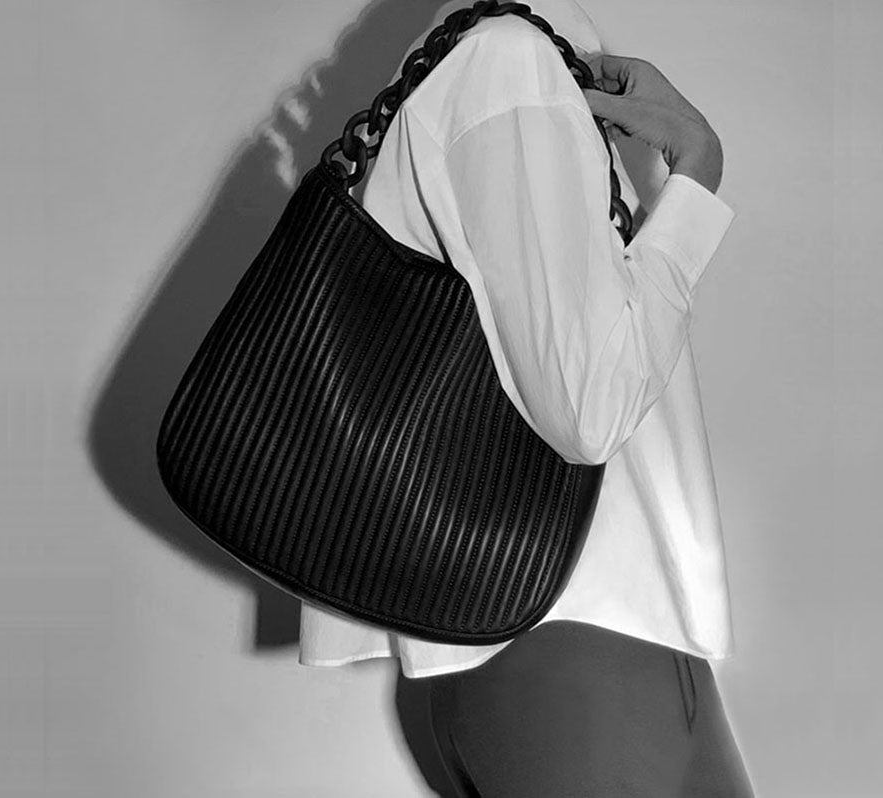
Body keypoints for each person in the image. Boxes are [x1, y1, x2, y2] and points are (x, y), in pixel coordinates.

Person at [298, 0, 754, 794]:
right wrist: (696, 171)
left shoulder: (505, 59)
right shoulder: (505, 67)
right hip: (576, 648)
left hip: (571, 649)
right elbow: (587, 411)